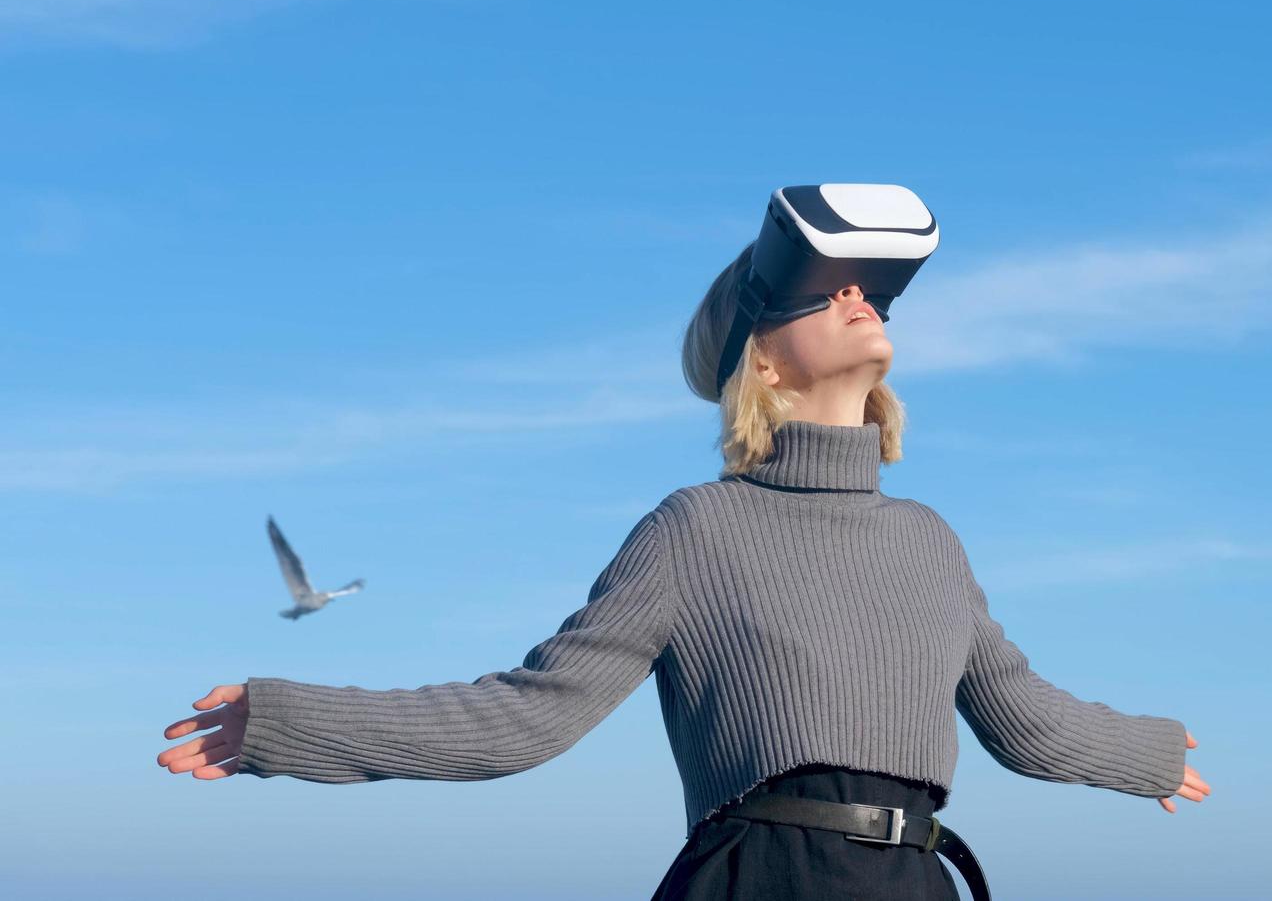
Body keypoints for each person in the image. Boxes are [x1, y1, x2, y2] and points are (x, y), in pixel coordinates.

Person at [156, 240, 1213, 898]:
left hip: (914, 884)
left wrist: (1149, 753)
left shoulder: (929, 540)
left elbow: (1022, 718)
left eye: (866, 282)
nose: (858, 291)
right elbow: (527, 715)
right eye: (820, 286)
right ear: (759, 356)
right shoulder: (695, 529)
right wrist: (293, 726)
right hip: (758, 880)